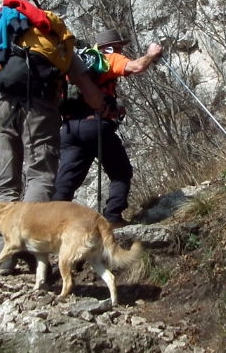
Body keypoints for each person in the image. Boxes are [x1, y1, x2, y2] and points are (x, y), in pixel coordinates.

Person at [0, 0, 104, 211]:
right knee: (40, 176)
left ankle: (9, 243)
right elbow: (90, 92)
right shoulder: (55, 41)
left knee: (5, 186)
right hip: (40, 105)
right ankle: (31, 241)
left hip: (1, 104)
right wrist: (101, 106)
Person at [52, 29, 163, 228]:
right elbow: (137, 67)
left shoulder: (74, 64)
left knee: (65, 183)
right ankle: (112, 217)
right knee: (121, 172)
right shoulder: (108, 58)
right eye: (120, 47)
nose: (122, 51)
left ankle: (51, 226)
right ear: (112, 47)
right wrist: (152, 54)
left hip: (68, 130)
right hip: (93, 125)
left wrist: (113, 107)